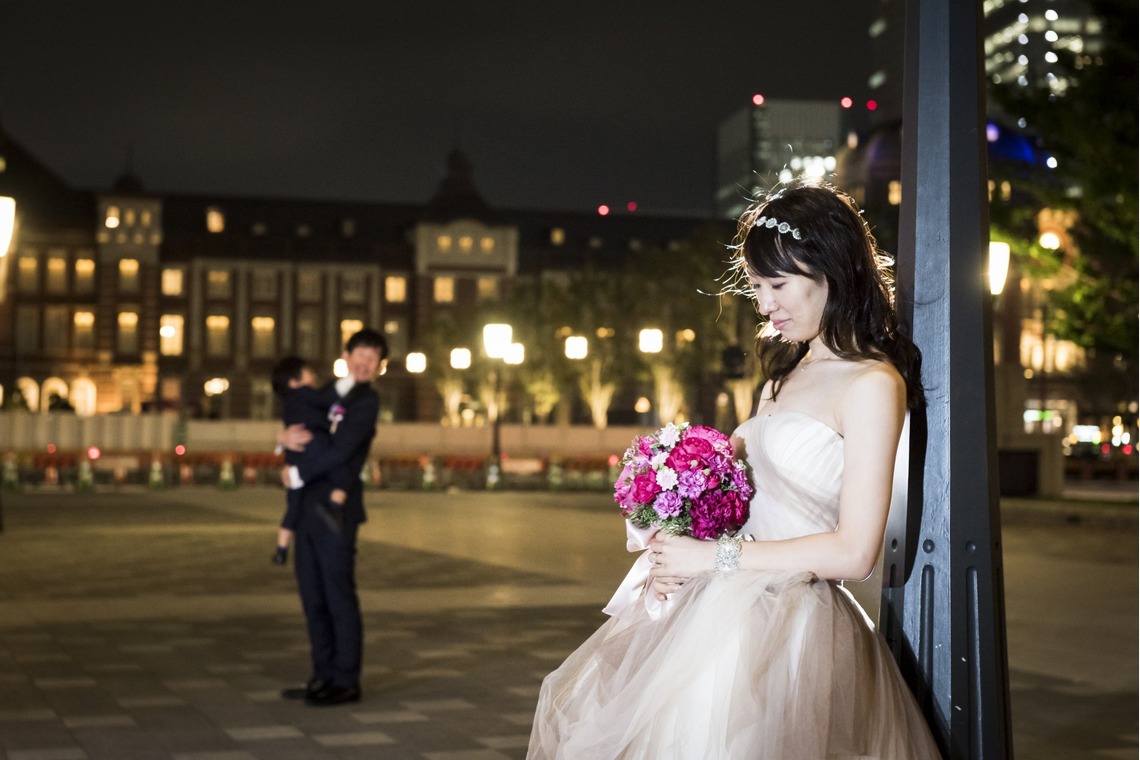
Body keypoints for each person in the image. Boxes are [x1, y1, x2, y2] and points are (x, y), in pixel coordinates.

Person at [528, 184, 941, 758]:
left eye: (778, 286)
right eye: (757, 288)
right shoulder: (779, 378)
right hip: (715, 609)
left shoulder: (872, 384)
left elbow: (854, 553)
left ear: (833, 270)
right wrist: (680, 539)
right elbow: (748, 504)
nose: (765, 304)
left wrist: (712, 557)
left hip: (795, 627)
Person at [279, 328, 388, 707]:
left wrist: (297, 473)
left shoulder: (366, 403)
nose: (365, 362)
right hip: (308, 507)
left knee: (338, 595)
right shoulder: (329, 393)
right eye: (360, 354)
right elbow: (301, 424)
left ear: (379, 368)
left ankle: (346, 680)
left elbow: (339, 452)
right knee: (312, 596)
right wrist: (282, 439)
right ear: (346, 354)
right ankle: (322, 674)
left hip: (337, 512)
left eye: (373, 359)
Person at [269, 356, 353, 566]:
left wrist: (281, 441)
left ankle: (281, 549)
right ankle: (334, 505)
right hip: (314, 447)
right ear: (294, 382)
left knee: (293, 506)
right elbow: (328, 401)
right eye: (308, 372)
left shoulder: (289, 402)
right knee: (342, 473)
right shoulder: (305, 393)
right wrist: (349, 380)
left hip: (294, 456)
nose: (313, 375)